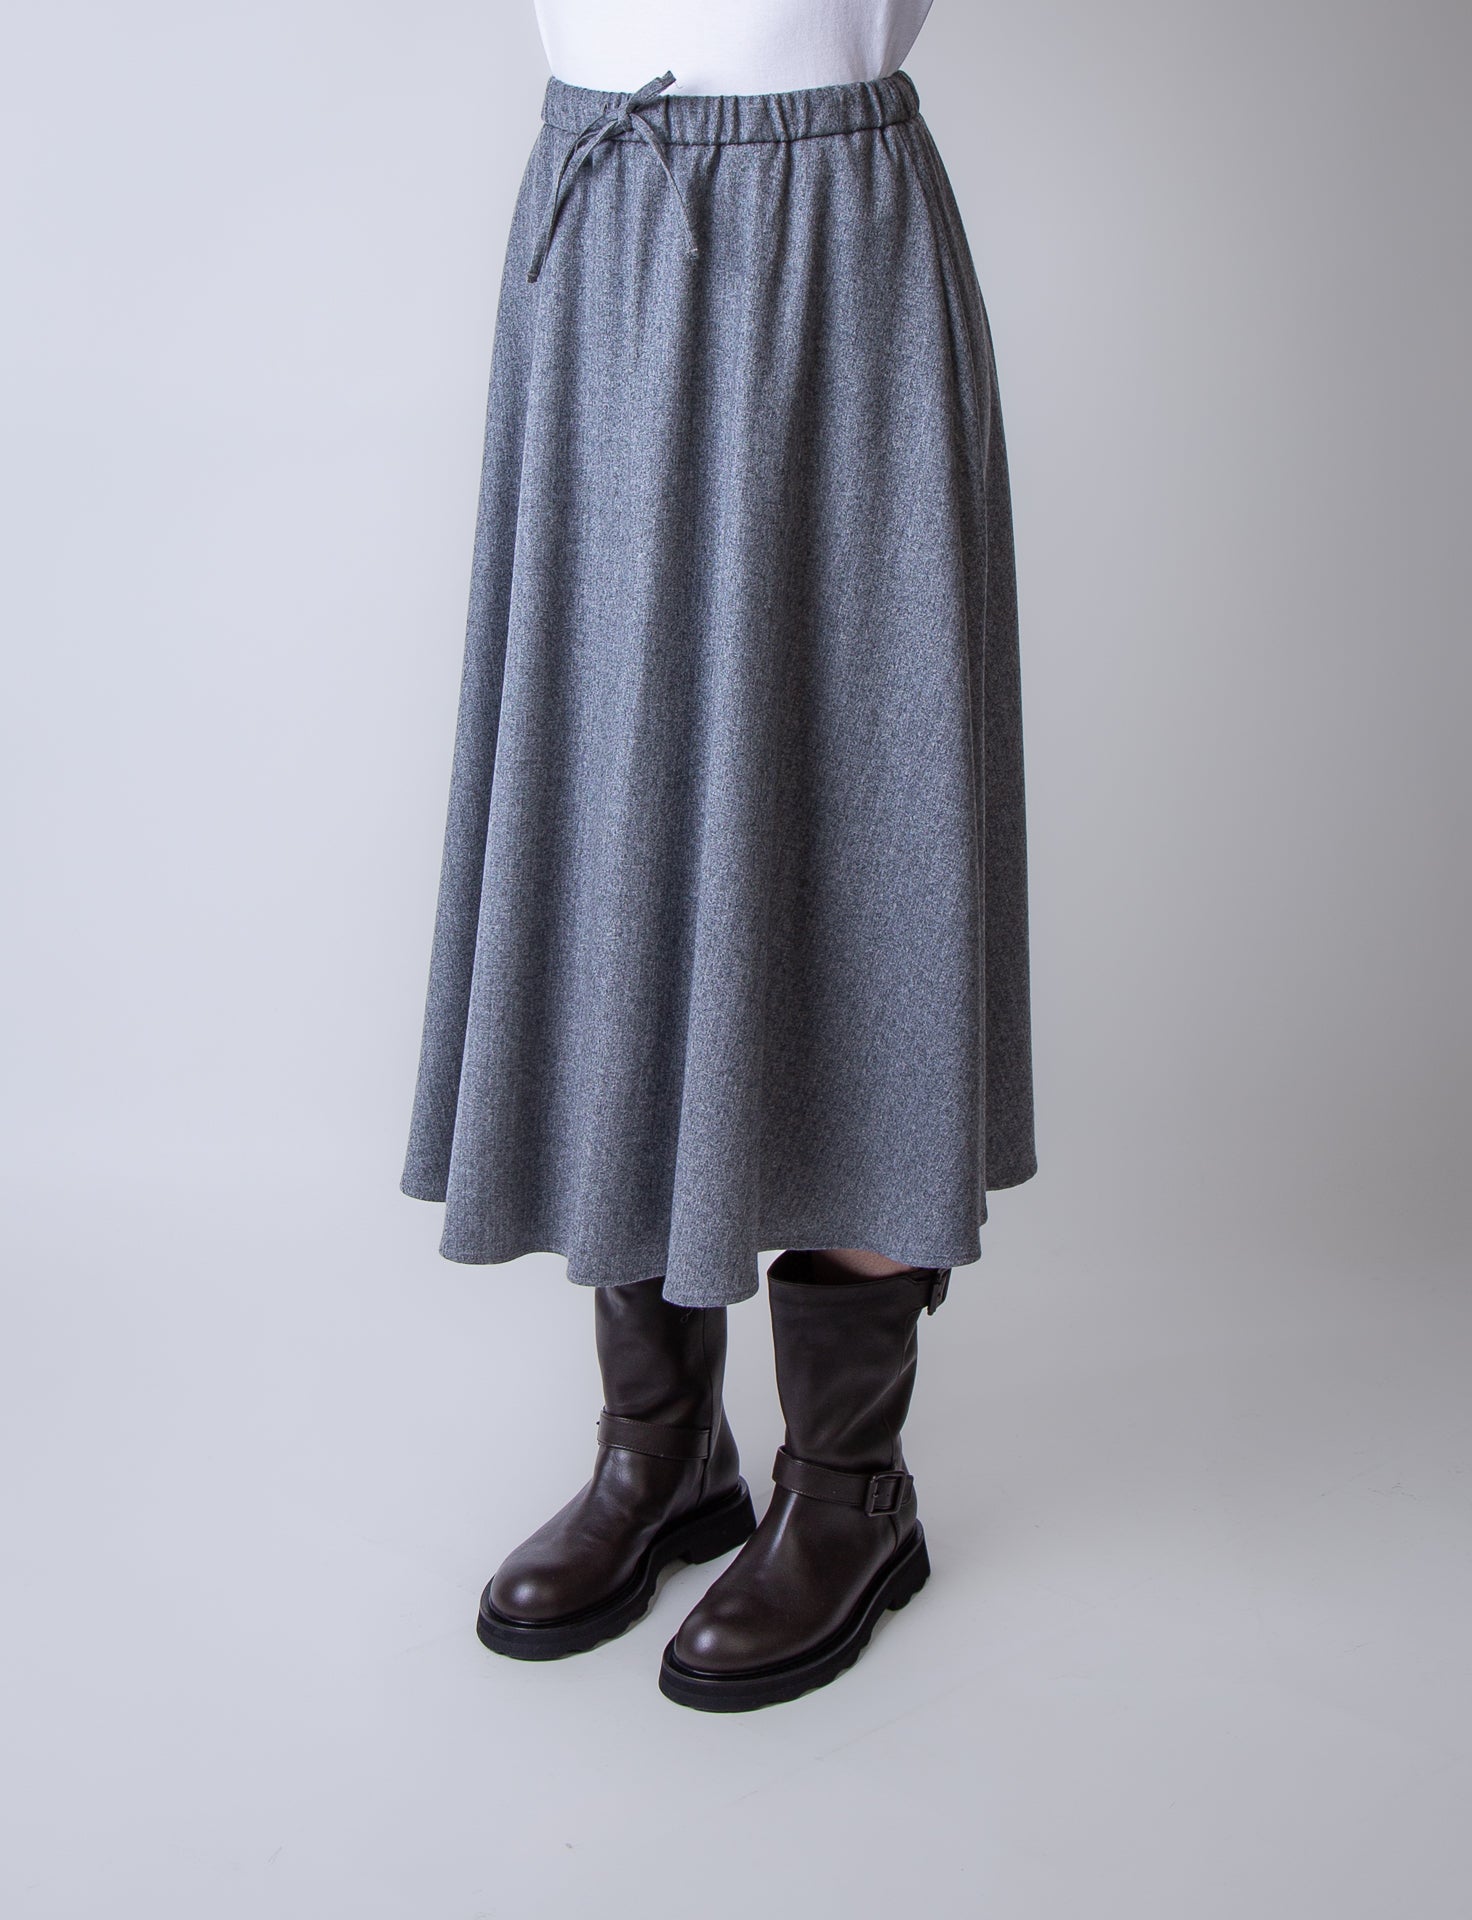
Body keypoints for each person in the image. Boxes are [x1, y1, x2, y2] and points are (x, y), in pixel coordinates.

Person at [401, 1, 1036, 1710]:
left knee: (864, 809)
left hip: (838, 232)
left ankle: (850, 1493)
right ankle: (661, 1446)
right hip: (601, 219)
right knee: (612, 814)